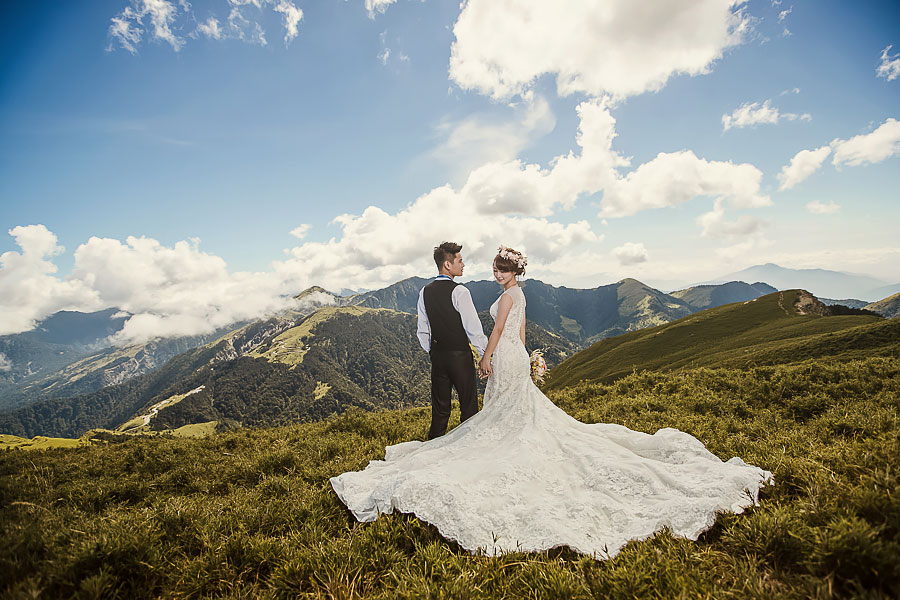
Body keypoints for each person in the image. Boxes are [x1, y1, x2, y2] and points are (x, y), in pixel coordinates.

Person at [331, 246, 772, 558]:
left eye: (502, 269)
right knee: (504, 412)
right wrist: (522, 358)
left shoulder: (497, 296)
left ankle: (470, 440)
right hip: (513, 357)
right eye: (495, 268)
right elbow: (519, 332)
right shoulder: (516, 295)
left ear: (513, 272)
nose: (496, 274)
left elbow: (495, 331)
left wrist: (487, 357)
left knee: (489, 413)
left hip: (498, 356)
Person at [416, 242, 488, 439]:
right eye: (460, 260)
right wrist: (485, 356)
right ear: (447, 265)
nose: (463, 265)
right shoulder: (460, 292)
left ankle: (431, 449)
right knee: (468, 407)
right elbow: (474, 330)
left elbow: (422, 331)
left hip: (438, 357)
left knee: (440, 411)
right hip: (460, 357)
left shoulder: (424, 292)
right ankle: (467, 447)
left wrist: (433, 352)